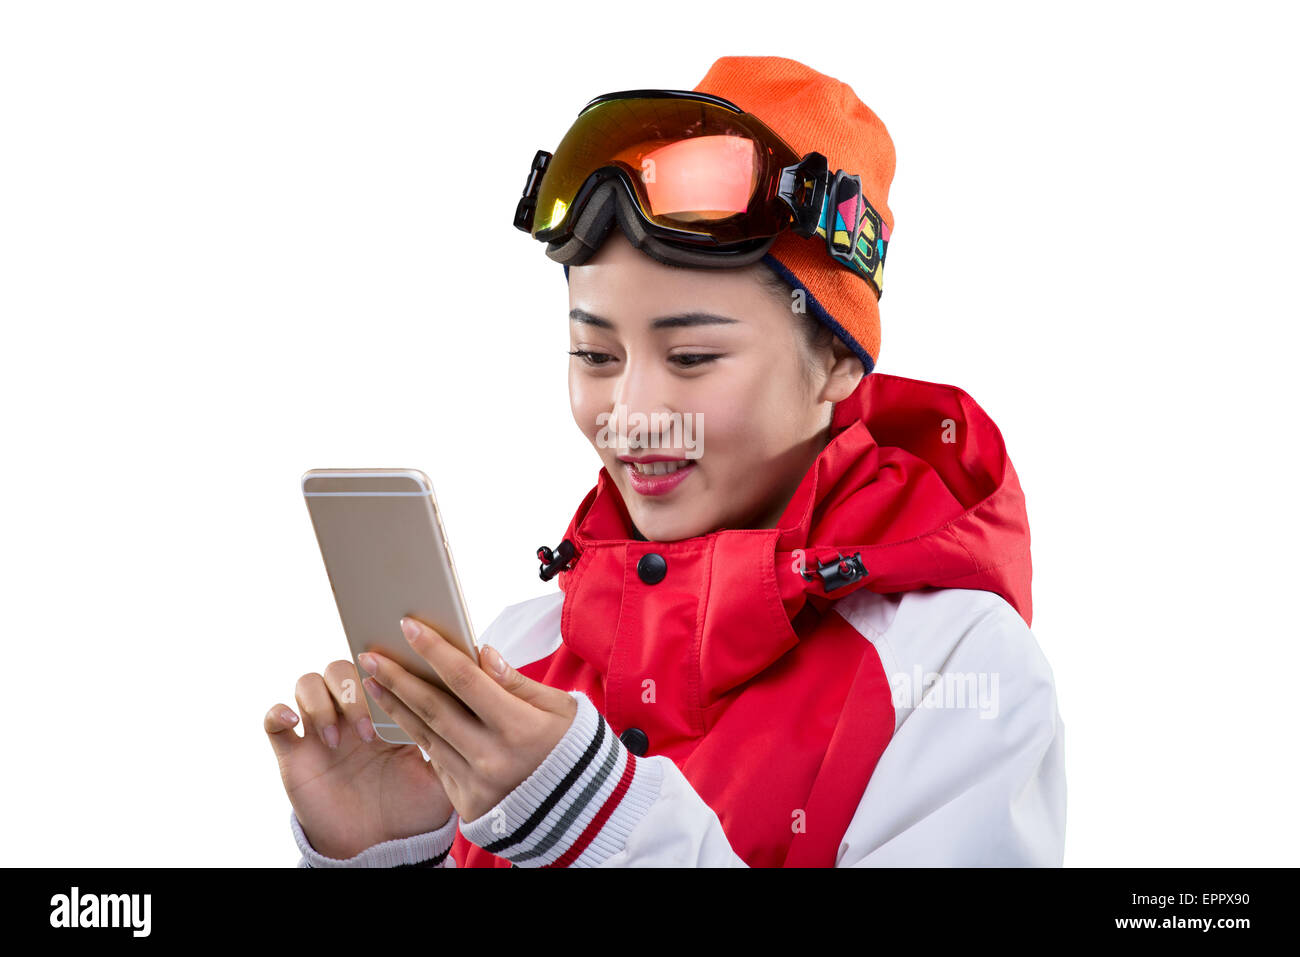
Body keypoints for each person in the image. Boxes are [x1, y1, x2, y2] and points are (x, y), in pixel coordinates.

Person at [265, 55, 1067, 867]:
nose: (635, 415)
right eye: (595, 353)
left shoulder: (958, 670)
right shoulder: (523, 655)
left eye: (690, 356)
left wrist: (596, 822)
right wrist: (390, 852)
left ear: (836, 361)